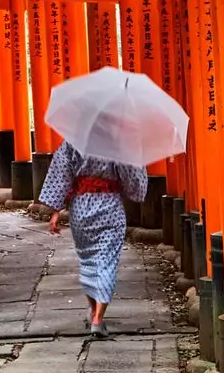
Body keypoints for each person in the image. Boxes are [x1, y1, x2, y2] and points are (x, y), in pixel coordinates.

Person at [38, 140, 149, 338]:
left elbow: (61, 173)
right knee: (106, 262)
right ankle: (98, 318)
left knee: (88, 261)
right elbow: (131, 174)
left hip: (80, 207)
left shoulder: (73, 139)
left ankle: (93, 311)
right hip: (109, 206)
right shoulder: (116, 141)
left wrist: (56, 211)